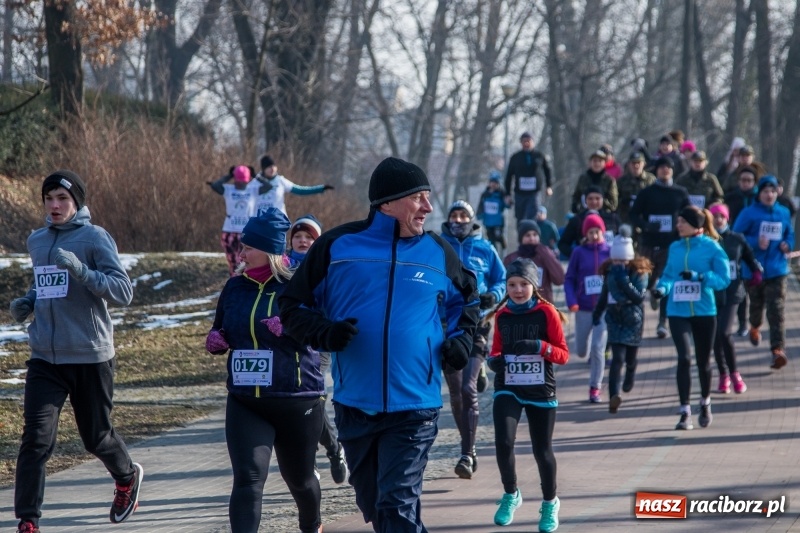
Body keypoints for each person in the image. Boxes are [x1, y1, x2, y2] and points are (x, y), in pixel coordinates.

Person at [279, 157, 480, 532]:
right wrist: (325, 332)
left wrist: (461, 339)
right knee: (375, 504)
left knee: (396, 504)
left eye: (428, 198)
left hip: (415, 407)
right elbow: (291, 306)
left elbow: (467, 301)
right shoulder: (337, 247)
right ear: (387, 202)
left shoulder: (438, 252)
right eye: (419, 197)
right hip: (355, 404)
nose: (429, 207)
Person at [10, 170, 141, 533]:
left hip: (90, 355)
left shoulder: (95, 238)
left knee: (96, 437)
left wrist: (84, 271)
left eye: (62, 199)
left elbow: (122, 291)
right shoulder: (37, 240)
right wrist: (30, 300)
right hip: (45, 357)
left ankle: (127, 477)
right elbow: (47, 283)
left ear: (77, 203)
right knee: (35, 440)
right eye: (49, 198)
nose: (54, 205)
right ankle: (28, 521)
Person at [206, 208, 325, 533]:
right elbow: (220, 328)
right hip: (246, 401)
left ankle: (311, 525)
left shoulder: (298, 285)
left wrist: (293, 326)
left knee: (299, 480)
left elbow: (322, 329)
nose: (241, 252)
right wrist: (217, 338)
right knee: (248, 479)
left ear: (270, 250)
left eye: (249, 247)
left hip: (296, 399)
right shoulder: (234, 288)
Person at [485, 258, 569, 532]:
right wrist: (494, 361)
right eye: (512, 284)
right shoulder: (503, 315)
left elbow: (563, 354)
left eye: (523, 284)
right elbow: (496, 350)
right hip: (507, 386)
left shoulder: (547, 313)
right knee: (504, 442)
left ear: (534, 285)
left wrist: (539, 346)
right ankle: (511, 494)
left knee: (541, 450)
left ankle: (549, 502)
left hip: (540, 388)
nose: (518, 290)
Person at [440, 200, 506, 479]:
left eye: (463, 215)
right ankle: (468, 448)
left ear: (472, 219)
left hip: (477, 322)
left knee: (468, 389)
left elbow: (501, 278)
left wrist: (494, 295)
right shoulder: (437, 246)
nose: (458, 219)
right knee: (455, 391)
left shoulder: (485, 248)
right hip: (444, 324)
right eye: (453, 215)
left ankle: (467, 454)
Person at [652, 206, 730, 430]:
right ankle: (684, 411)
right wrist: (661, 289)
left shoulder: (712, 247)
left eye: (682, 222)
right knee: (684, 358)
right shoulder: (675, 247)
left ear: (696, 226)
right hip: (678, 312)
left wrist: (700, 277)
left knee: (703, 361)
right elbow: (668, 276)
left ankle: (705, 402)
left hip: (705, 312)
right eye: (678, 222)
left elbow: (723, 279)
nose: (678, 226)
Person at [286, 214, 349, 484]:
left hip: (317, 341)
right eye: (298, 237)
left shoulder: (327, 266)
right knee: (294, 403)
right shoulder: (280, 265)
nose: (302, 241)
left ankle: (333, 451)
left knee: (313, 401)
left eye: (309, 238)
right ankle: (310, 460)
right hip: (286, 342)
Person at [733, 175, 795, 370]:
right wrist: (754, 242)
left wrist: (788, 244)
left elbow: (789, 233)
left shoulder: (783, 212)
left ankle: (778, 350)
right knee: (757, 308)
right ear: (759, 194)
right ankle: (754, 326)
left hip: (777, 269)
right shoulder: (748, 213)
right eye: (766, 191)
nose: (769, 195)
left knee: (776, 310)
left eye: (773, 191)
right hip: (754, 270)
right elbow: (735, 237)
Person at [591, 226, 652, 413]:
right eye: (616, 259)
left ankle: (631, 374)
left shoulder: (639, 272)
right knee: (617, 358)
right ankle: (613, 396)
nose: (619, 264)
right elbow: (604, 294)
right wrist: (597, 312)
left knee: (630, 357)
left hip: (633, 317)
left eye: (623, 260)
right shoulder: (609, 272)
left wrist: (624, 280)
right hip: (614, 317)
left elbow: (638, 297)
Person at [628, 156, 690, 339]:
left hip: (670, 245)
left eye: (668, 167)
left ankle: (662, 322)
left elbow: (689, 214)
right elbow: (633, 214)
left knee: (665, 283)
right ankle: (644, 311)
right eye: (662, 167)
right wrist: (646, 225)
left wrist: (680, 226)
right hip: (648, 244)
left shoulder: (680, 192)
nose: (665, 170)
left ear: (672, 171)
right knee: (644, 283)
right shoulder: (646, 192)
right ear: (656, 170)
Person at [708, 204, 761, 394]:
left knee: (724, 332)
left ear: (727, 218)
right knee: (714, 335)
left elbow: (749, 256)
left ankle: (735, 373)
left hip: (732, 292)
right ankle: (723, 375)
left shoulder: (737, 239)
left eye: (721, 216)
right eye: (714, 216)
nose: (718, 220)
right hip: (712, 293)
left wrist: (756, 271)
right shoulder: (707, 240)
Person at [564, 214, 610, 403]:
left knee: (598, 348)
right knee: (581, 350)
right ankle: (587, 352)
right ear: (585, 233)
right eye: (590, 232)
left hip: (603, 309)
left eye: (597, 231)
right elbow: (569, 279)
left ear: (602, 232)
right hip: (582, 307)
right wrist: (571, 300)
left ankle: (595, 388)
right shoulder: (579, 253)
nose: (594, 235)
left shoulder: (610, 251)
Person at [208, 165, 272, 276]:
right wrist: (229, 175)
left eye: (244, 182)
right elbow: (215, 186)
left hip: (246, 232)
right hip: (229, 231)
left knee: (245, 261)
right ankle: (234, 282)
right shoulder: (228, 189)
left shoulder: (253, 190)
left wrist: (255, 176)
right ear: (235, 180)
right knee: (233, 262)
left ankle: (246, 281)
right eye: (239, 181)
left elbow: (268, 186)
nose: (241, 184)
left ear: (247, 181)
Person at [724, 166, 759, 336]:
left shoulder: (759, 199)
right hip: (735, 246)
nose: (745, 183)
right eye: (743, 180)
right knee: (740, 285)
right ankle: (742, 323)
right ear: (738, 181)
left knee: (753, 289)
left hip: (757, 249)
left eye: (749, 181)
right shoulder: (731, 198)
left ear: (754, 182)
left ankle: (753, 322)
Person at [504, 219, 565, 304]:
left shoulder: (544, 256)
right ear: (521, 238)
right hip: (519, 307)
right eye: (527, 235)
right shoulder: (511, 259)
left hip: (543, 305)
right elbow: (504, 286)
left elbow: (559, 279)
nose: (532, 238)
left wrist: (546, 253)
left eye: (535, 235)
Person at [255, 154, 334, 216]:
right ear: (263, 168)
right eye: (269, 167)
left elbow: (300, 190)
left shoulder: (280, 181)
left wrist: (321, 188)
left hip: (277, 220)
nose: (272, 169)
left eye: (273, 166)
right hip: (259, 220)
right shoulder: (255, 182)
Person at [558, 185, 620, 259]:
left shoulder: (613, 218)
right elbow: (563, 244)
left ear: (602, 199)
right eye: (590, 199)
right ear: (585, 200)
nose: (594, 202)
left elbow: (621, 239)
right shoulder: (577, 220)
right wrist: (577, 254)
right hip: (586, 263)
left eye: (597, 198)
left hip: (609, 261)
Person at [504, 132, 554, 224]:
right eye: (524, 141)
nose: (526, 143)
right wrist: (507, 194)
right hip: (520, 193)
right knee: (520, 217)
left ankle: (532, 234)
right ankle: (521, 236)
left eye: (528, 141)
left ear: (533, 142)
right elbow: (509, 176)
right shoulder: (515, 157)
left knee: (533, 215)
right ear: (521, 143)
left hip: (534, 193)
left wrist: (549, 186)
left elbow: (547, 171)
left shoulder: (539, 156)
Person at [570, 149, 618, 213]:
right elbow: (576, 195)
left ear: (604, 163)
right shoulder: (583, 179)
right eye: (595, 161)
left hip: (604, 214)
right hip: (584, 213)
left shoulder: (610, 180)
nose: (597, 163)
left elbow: (613, 204)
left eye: (600, 161)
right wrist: (575, 205)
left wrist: (598, 201)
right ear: (590, 163)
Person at [616, 151, 655, 227]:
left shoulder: (651, 179)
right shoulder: (621, 181)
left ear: (644, 164)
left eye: (638, 163)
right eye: (633, 163)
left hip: (645, 219)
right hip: (626, 218)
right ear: (628, 164)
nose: (636, 165)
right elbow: (616, 201)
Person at [477, 170, 511, 254]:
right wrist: (479, 215)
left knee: (498, 236)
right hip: (488, 222)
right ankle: (494, 255)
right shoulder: (485, 194)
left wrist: (508, 202)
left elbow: (507, 205)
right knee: (491, 241)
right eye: (492, 182)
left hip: (498, 222)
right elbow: (481, 206)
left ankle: (503, 245)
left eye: (495, 182)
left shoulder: (501, 194)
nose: (493, 184)